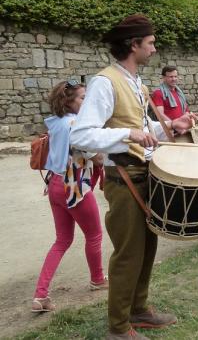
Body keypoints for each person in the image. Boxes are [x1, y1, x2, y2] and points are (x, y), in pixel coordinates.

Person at [70, 14, 196, 339]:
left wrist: (173, 124)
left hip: (145, 173)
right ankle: (117, 327)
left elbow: (142, 130)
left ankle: (139, 310)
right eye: (150, 43)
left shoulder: (135, 82)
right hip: (123, 178)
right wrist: (129, 134)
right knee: (128, 254)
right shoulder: (105, 82)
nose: (154, 49)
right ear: (133, 44)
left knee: (147, 247)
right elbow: (81, 136)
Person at [32, 80, 107, 313]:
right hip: (74, 188)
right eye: (83, 98)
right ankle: (97, 279)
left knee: (62, 240)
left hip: (55, 185)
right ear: (68, 101)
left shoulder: (57, 123)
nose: (86, 102)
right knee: (94, 235)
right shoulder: (75, 125)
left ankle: (40, 295)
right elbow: (98, 159)